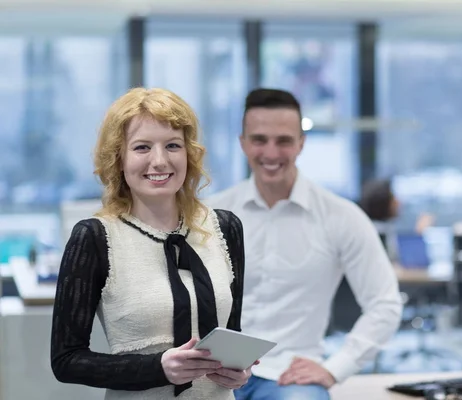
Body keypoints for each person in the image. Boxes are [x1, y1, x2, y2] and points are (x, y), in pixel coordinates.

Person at [50, 87, 251, 399]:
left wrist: (239, 371)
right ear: (118, 158)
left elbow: (231, 335)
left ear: (189, 154)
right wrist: (158, 368)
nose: (159, 161)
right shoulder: (94, 237)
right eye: (142, 147)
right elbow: (66, 360)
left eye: (173, 145)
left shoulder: (224, 228)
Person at [205, 88, 403, 400]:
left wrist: (336, 367)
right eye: (259, 139)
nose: (271, 153)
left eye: (283, 140)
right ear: (243, 143)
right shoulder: (210, 215)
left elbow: (385, 303)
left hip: (288, 376)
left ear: (301, 143)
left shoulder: (340, 216)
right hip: (214, 371)